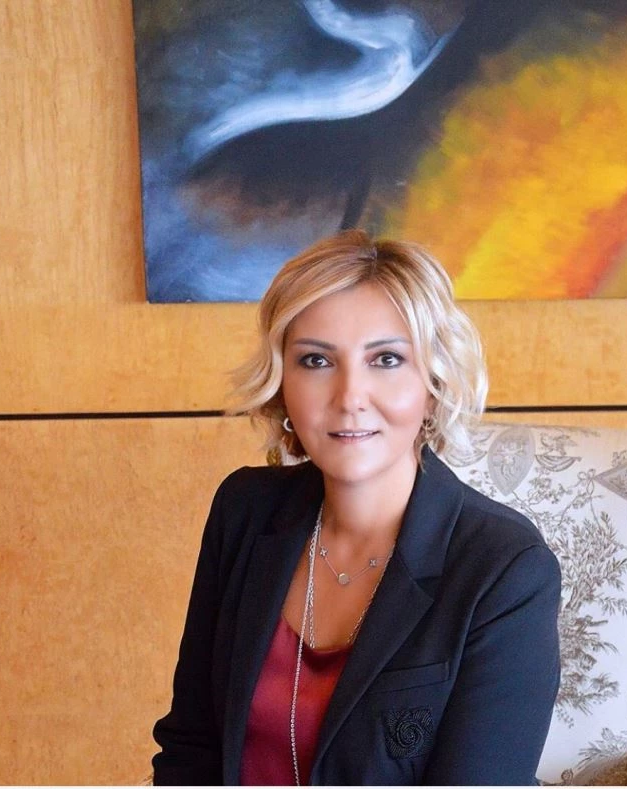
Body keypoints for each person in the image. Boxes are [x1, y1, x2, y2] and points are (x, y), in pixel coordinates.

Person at [151, 229, 561, 785]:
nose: (349, 398)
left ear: (433, 384)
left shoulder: (504, 568)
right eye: (316, 360)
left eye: (386, 359)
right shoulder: (244, 511)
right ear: (283, 385)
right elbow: (191, 748)